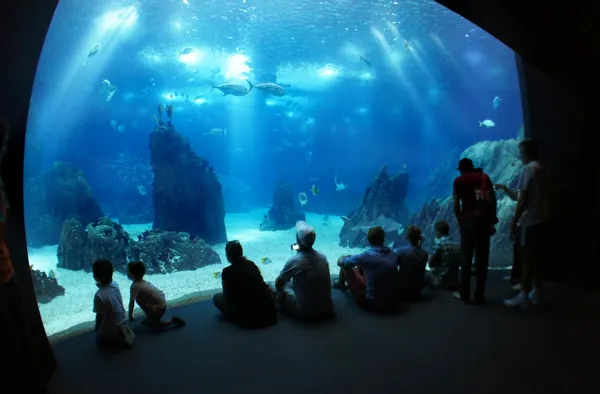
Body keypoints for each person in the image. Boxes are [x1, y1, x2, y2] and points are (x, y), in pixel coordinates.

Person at [496, 140, 550, 308]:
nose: (520, 155)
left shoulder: (528, 170)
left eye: (521, 152)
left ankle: (524, 296)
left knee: (526, 258)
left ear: (528, 153)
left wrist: (514, 222)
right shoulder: (543, 169)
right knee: (538, 258)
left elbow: (522, 201)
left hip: (527, 221)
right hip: (541, 219)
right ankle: (536, 292)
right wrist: (505, 188)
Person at [453, 158, 497, 304]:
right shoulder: (484, 177)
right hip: (483, 222)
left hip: (467, 222)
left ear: (462, 169)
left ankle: (464, 294)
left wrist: (460, 220)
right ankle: (479, 294)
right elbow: (491, 199)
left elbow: (455, 204)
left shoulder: (459, 181)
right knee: (482, 259)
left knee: (466, 258)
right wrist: (491, 219)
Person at [333, 226, 400, 312]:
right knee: (363, 266)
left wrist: (342, 257)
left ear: (369, 240)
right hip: (393, 301)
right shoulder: (392, 252)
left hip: (372, 303)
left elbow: (343, 263)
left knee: (346, 267)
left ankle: (340, 284)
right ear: (383, 238)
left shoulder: (367, 255)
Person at [275, 221, 333, 320]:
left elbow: (278, 283)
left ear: (298, 240)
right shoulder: (323, 257)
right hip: (327, 307)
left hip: (305, 311)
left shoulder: (294, 261)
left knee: (274, 287)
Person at [213, 240, 277, 328]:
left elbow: (227, 295)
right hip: (264, 308)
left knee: (216, 297)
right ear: (241, 252)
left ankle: (239, 317)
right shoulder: (251, 264)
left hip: (243, 312)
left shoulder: (227, 271)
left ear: (228, 255)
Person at [127, 261, 185, 330]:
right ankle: (151, 318)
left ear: (131, 274)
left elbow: (131, 303)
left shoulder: (134, 287)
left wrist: (130, 315)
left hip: (158, 309)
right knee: (138, 299)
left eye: (128, 271)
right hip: (162, 304)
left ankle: (172, 322)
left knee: (155, 327)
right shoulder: (143, 282)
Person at [92, 259, 133, 351]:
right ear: (112, 272)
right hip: (122, 322)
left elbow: (99, 316)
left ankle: (114, 342)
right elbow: (108, 292)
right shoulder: (115, 285)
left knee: (98, 341)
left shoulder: (99, 295)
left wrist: (97, 328)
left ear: (95, 277)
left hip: (112, 330)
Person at [425, 221, 462, 291]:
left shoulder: (439, 243)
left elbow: (430, 264)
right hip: (455, 282)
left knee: (425, 274)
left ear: (438, 231)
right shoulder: (457, 245)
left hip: (442, 282)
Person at [395, 225, 429, 301]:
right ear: (419, 237)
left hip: (403, 288)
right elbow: (416, 254)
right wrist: (420, 244)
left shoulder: (400, 251)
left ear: (407, 237)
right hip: (417, 289)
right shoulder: (425, 254)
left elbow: (393, 267)